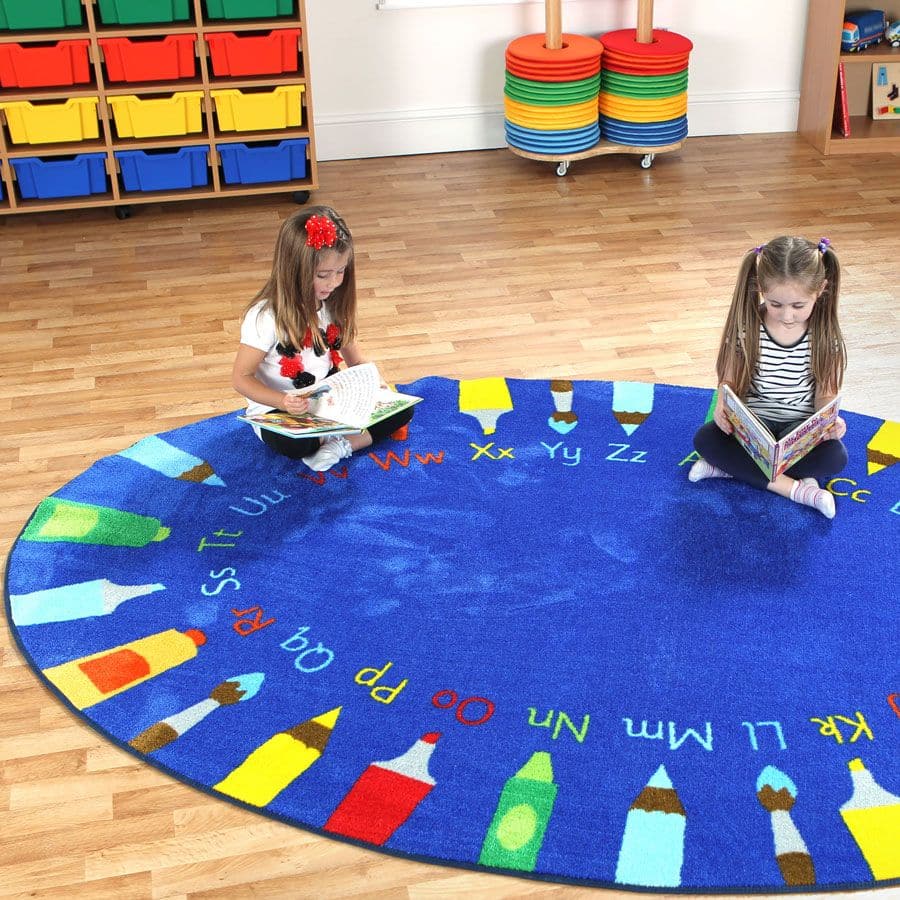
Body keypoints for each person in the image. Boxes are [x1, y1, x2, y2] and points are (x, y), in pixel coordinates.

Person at [232, 206, 414, 471]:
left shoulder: (332, 305)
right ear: (294, 271)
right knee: (296, 445)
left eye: (340, 272)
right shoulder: (265, 317)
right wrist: (283, 401)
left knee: (402, 411)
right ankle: (344, 438)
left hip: (329, 400)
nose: (333, 283)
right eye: (323, 275)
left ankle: (341, 446)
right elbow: (241, 378)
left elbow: (356, 360)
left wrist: (380, 387)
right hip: (279, 407)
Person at [690, 236, 848, 518]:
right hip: (753, 427)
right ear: (761, 289)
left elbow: (825, 394)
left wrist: (829, 422)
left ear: (820, 290)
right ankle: (799, 490)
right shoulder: (747, 327)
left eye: (798, 306)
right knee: (706, 439)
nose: (787, 315)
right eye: (775, 304)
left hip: (796, 429)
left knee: (836, 456)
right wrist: (722, 409)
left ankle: (730, 469)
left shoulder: (825, 337)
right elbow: (729, 383)